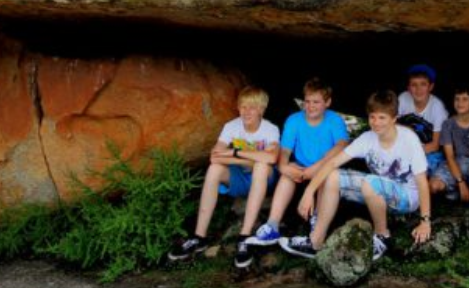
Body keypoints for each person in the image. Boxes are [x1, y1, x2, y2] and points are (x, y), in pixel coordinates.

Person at [280, 90, 432, 261]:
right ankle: (315, 241)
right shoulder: (367, 138)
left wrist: (425, 221)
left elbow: (422, 182)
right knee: (332, 176)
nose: (376, 123)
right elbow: (331, 163)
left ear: (394, 118)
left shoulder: (408, 139)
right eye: (372, 117)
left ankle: (382, 236)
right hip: (376, 192)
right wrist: (309, 192)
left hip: (406, 197)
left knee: (370, 182)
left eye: (382, 118)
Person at [168, 86, 280, 268]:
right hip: (241, 180)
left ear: (262, 109)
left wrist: (234, 152)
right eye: (243, 107)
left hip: (264, 179)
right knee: (214, 169)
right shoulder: (231, 126)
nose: (246, 112)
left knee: (260, 166)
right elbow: (214, 156)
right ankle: (199, 237)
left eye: (252, 107)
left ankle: (245, 237)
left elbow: (271, 158)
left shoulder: (270, 129)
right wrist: (247, 158)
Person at [245, 78, 350, 248]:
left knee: (327, 175)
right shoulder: (294, 119)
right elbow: (285, 149)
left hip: (323, 167)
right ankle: (272, 225)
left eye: (316, 102)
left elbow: (342, 145)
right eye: (307, 101)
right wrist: (284, 166)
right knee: (287, 176)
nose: (310, 106)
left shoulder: (334, 120)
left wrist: (316, 167)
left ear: (328, 102)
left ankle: (316, 223)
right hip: (300, 168)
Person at [397, 63, 449, 170]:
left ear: (431, 87)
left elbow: (435, 145)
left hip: (429, 150)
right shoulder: (403, 98)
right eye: (414, 85)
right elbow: (391, 125)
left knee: (423, 168)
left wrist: (409, 154)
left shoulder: (438, 108)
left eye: (423, 84)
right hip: (405, 145)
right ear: (408, 88)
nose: (418, 89)